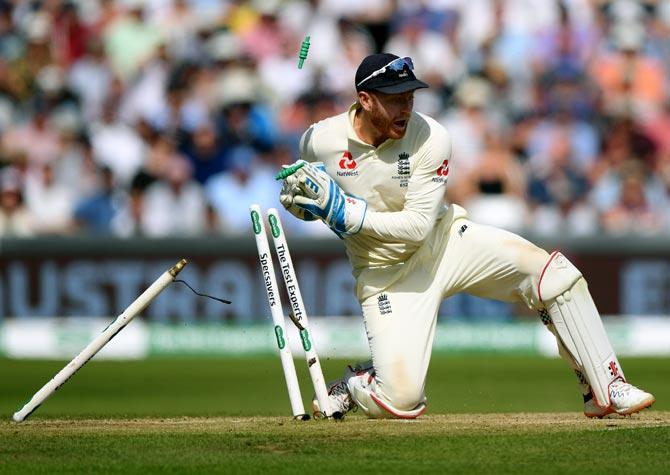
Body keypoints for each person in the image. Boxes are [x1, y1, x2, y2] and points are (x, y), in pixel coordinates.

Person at [278, 53, 655, 419]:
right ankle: (361, 381)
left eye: (410, 97)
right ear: (365, 100)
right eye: (394, 100)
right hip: (383, 272)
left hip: (446, 243)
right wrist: (303, 206)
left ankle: (607, 387)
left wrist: (345, 213)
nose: (406, 109)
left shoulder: (431, 138)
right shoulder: (320, 141)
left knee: (554, 275)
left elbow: (416, 228)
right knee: (399, 401)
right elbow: (307, 197)